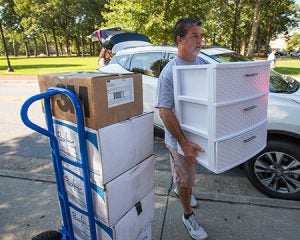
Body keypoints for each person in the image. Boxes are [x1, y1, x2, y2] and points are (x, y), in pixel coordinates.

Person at [155, 17, 208, 240]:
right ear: (180, 39)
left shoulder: (203, 64)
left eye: (201, 36)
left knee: (187, 177)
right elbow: (164, 111)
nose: (200, 41)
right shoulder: (169, 72)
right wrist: (184, 143)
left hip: (199, 134)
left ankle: (183, 189)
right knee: (186, 178)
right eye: (194, 36)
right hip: (180, 139)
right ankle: (187, 215)